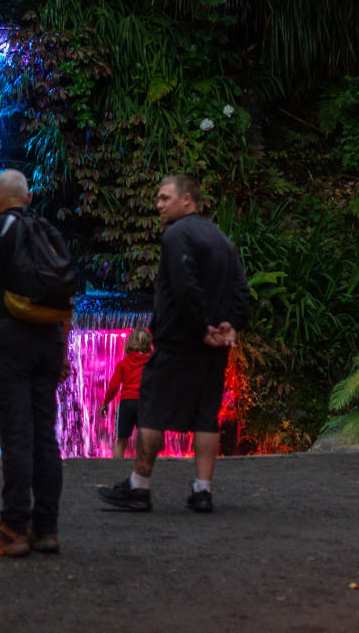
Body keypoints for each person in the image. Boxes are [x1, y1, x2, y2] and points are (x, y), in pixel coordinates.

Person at [100, 174, 249, 514]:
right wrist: (230, 324)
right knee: (206, 414)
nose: (158, 204)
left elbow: (185, 287)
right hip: (212, 347)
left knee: (151, 411)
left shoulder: (176, 235)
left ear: (187, 200)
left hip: (179, 341)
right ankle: (202, 490)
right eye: (157, 198)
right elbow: (241, 287)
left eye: (165, 198)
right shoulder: (221, 238)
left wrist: (201, 328)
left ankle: (139, 486)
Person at [0, 170, 68, 557]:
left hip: (9, 339)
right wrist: (63, 349)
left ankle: (12, 528)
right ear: (28, 197)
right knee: (45, 435)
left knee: (16, 436)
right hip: (49, 341)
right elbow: (67, 298)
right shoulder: (50, 232)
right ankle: (46, 529)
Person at [102, 329, 151, 458]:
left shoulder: (123, 364)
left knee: (121, 441)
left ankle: (116, 469)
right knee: (145, 440)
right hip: (144, 404)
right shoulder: (151, 364)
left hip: (126, 405)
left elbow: (113, 387)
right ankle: (143, 469)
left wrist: (106, 402)